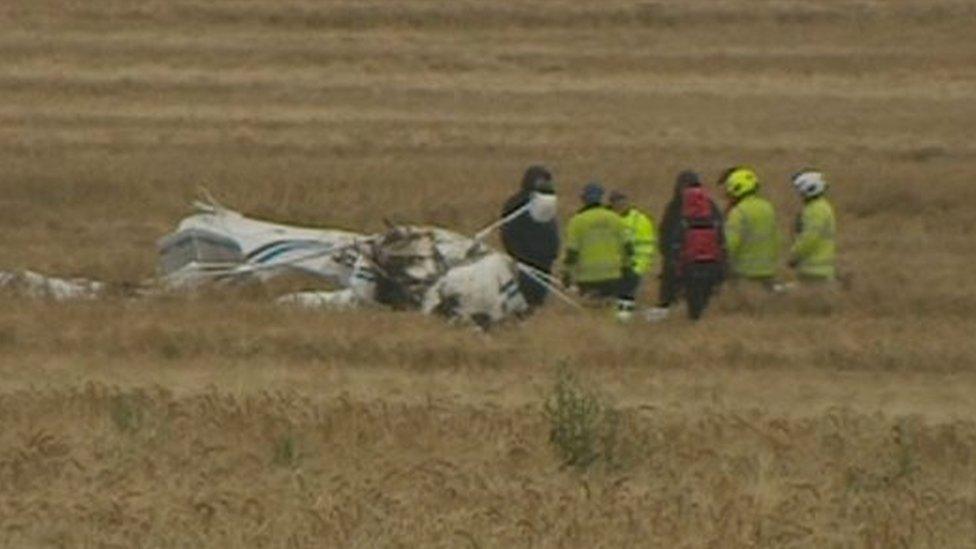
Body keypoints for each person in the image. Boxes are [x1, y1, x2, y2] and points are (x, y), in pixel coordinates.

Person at [650, 171, 726, 321]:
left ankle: (670, 309)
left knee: (681, 293)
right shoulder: (709, 205)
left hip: (686, 261)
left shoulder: (676, 206)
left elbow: (666, 234)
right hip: (710, 260)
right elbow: (720, 232)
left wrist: (670, 257)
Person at [561, 182, 632, 318]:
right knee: (609, 314)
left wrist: (567, 274)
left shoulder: (577, 221)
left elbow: (572, 253)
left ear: (583, 199)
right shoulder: (615, 218)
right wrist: (627, 268)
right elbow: (628, 248)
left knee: (591, 314)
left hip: (588, 278)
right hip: (613, 276)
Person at [500, 165, 560, 308]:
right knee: (527, 292)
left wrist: (553, 249)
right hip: (525, 255)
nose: (545, 184)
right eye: (541, 181)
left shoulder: (547, 203)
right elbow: (507, 228)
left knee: (540, 291)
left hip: (544, 255)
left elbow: (551, 228)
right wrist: (514, 251)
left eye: (547, 181)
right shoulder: (517, 202)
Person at [722, 167, 779, 288]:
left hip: (744, 274)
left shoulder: (739, 212)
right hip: (767, 271)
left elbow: (730, 245)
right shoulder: (768, 208)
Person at [608, 190, 657, 307]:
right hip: (613, 267)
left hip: (634, 266)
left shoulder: (640, 220)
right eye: (616, 203)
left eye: (622, 202)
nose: (620, 206)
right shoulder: (607, 219)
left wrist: (637, 267)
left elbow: (647, 246)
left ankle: (623, 318)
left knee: (626, 297)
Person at [788, 169, 836, 282]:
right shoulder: (819, 207)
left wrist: (794, 255)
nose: (799, 194)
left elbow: (809, 238)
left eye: (800, 190)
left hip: (814, 271)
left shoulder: (815, 210)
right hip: (819, 269)